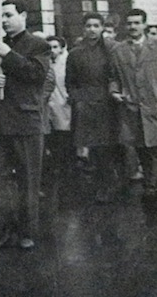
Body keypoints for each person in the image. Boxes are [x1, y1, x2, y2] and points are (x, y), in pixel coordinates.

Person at [0, 0, 51, 250]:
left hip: (25, 122)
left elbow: (36, 75)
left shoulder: (38, 45)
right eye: (2, 16)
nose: (5, 20)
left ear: (24, 15)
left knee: (28, 179)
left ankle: (28, 230)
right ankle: (8, 227)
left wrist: (9, 56)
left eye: (9, 15)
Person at [66, 12, 119, 203]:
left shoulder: (110, 50)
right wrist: (77, 99)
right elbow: (70, 82)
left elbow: (115, 75)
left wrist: (112, 94)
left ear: (102, 28)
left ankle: (108, 185)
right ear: (83, 28)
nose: (92, 30)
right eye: (88, 26)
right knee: (92, 150)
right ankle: (99, 186)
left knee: (106, 148)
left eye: (96, 26)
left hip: (106, 104)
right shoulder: (75, 53)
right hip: (85, 106)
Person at [109, 8, 157, 198]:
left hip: (154, 104)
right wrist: (114, 91)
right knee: (142, 147)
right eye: (129, 23)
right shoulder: (118, 50)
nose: (133, 27)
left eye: (137, 23)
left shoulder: (155, 46)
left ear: (145, 24)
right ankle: (150, 184)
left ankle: (153, 183)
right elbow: (113, 76)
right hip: (133, 107)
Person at [45, 36, 72, 183]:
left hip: (64, 107)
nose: (52, 51)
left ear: (61, 48)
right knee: (53, 142)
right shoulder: (46, 64)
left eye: (55, 47)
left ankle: (67, 173)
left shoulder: (66, 63)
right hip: (50, 108)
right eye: (49, 47)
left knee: (65, 141)